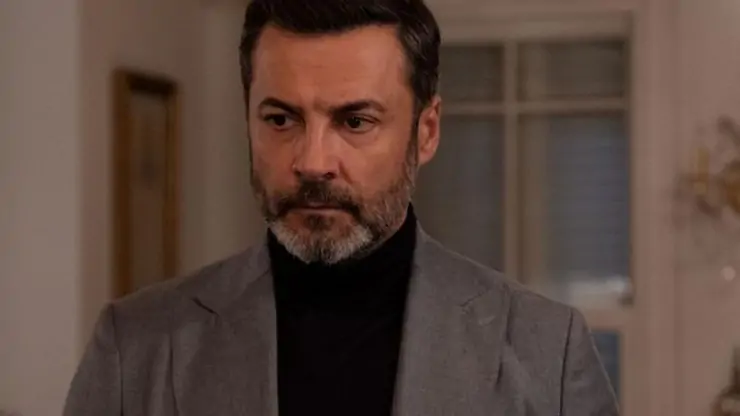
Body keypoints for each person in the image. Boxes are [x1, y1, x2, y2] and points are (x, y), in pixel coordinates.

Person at [63, 0, 619, 414]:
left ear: (426, 131)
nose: (313, 162)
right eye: (280, 119)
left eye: (355, 121)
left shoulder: (547, 355)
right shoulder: (134, 350)